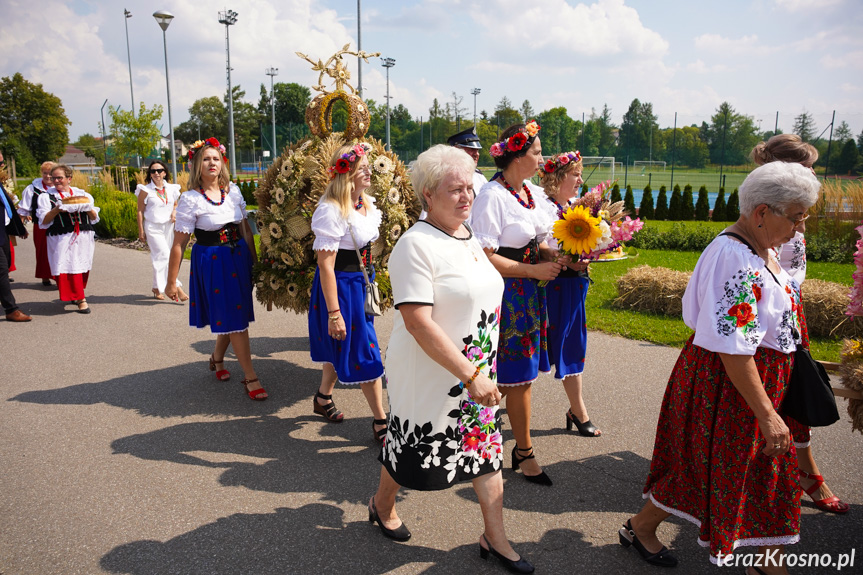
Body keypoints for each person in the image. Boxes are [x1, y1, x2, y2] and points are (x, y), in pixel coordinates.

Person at [622, 162, 820, 571]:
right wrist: (767, 414)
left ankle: (765, 560)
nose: (800, 228)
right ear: (762, 212)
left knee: (741, 472)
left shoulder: (763, 247)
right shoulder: (735, 257)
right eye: (796, 217)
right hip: (732, 384)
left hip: (757, 381)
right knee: (716, 470)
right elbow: (734, 349)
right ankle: (764, 563)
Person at [372, 144, 534, 574]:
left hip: (477, 370)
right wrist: (469, 374)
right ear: (428, 194)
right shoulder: (415, 246)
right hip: (431, 370)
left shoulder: (468, 237)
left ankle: (495, 538)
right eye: (454, 189)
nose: (466, 197)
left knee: (485, 448)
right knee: (411, 446)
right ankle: (382, 503)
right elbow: (418, 322)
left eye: (469, 188)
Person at [751, 134, 849, 515]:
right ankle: (801, 476)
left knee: (797, 398)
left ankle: (797, 473)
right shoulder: (764, 215)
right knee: (784, 401)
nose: (814, 175)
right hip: (769, 324)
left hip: (791, 313)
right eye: (807, 168)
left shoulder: (793, 213)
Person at [471, 122, 565, 486]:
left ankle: (494, 440)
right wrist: (532, 269)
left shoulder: (530, 193)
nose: (542, 158)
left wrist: (573, 251)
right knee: (518, 377)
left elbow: (540, 240)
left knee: (517, 376)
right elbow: (483, 254)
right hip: (505, 294)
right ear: (516, 154)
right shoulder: (493, 196)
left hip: (528, 291)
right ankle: (523, 451)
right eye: (537, 152)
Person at [165, 138, 266, 401]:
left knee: (234, 315)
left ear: (222, 164)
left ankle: (217, 358)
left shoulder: (232, 192)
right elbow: (179, 244)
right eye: (206, 159)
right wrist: (171, 281)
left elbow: (245, 228)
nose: (212, 163)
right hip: (212, 262)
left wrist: (254, 263)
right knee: (236, 319)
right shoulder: (189, 199)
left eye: (216, 159)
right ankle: (251, 377)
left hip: (238, 258)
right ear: (197, 165)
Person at [308, 143, 388, 440]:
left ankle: (322, 398)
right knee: (365, 353)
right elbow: (326, 266)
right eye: (362, 167)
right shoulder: (330, 210)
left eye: (368, 166)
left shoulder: (364, 203)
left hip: (362, 283)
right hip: (340, 287)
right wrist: (333, 314)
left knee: (342, 345)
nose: (369, 171)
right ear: (346, 173)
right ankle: (381, 421)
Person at [537, 151, 600, 437]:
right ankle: (489, 399)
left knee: (573, 344)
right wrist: (557, 257)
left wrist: (593, 254)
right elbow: (532, 247)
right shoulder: (540, 207)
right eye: (575, 174)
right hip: (547, 288)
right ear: (559, 177)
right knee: (532, 348)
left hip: (575, 285)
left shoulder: (580, 207)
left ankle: (578, 410)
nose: (580, 179)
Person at [36, 164, 99, 314]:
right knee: (68, 268)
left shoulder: (82, 195)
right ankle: (81, 299)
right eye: (53, 178)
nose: (56, 181)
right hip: (61, 238)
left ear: (69, 179)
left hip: (83, 236)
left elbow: (94, 217)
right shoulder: (46, 197)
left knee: (80, 267)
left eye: (60, 178)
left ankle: (76, 295)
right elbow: (44, 221)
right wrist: (57, 209)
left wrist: (86, 206)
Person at [136, 160, 187, 301]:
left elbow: (175, 204)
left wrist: (174, 212)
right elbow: (140, 211)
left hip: (169, 227)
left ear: (164, 172)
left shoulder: (172, 189)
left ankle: (156, 287)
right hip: (153, 227)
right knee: (163, 255)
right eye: (153, 171)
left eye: (159, 170)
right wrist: (141, 231)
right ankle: (176, 287)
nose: (156, 173)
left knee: (162, 257)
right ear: (150, 174)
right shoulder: (145, 190)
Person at [0, 151, 31, 322]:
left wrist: (18, 229)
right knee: (2, 270)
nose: (2, 166)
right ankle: (11, 309)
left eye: (2, 162)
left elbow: (8, 208)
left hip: (3, 232)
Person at [17, 161, 56, 286]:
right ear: (41, 173)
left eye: (50, 174)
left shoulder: (60, 185)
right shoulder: (32, 188)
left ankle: (59, 277)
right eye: (45, 173)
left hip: (59, 225)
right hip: (40, 225)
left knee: (58, 250)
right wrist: (19, 228)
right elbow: (23, 209)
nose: (48, 176)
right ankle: (45, 275)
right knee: (42, 251)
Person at [447, 126, 489, 198]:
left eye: (477, 150)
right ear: (456, 150)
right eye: (471, 149)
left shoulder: (479, 176)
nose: (476, 154)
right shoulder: (447, 176)